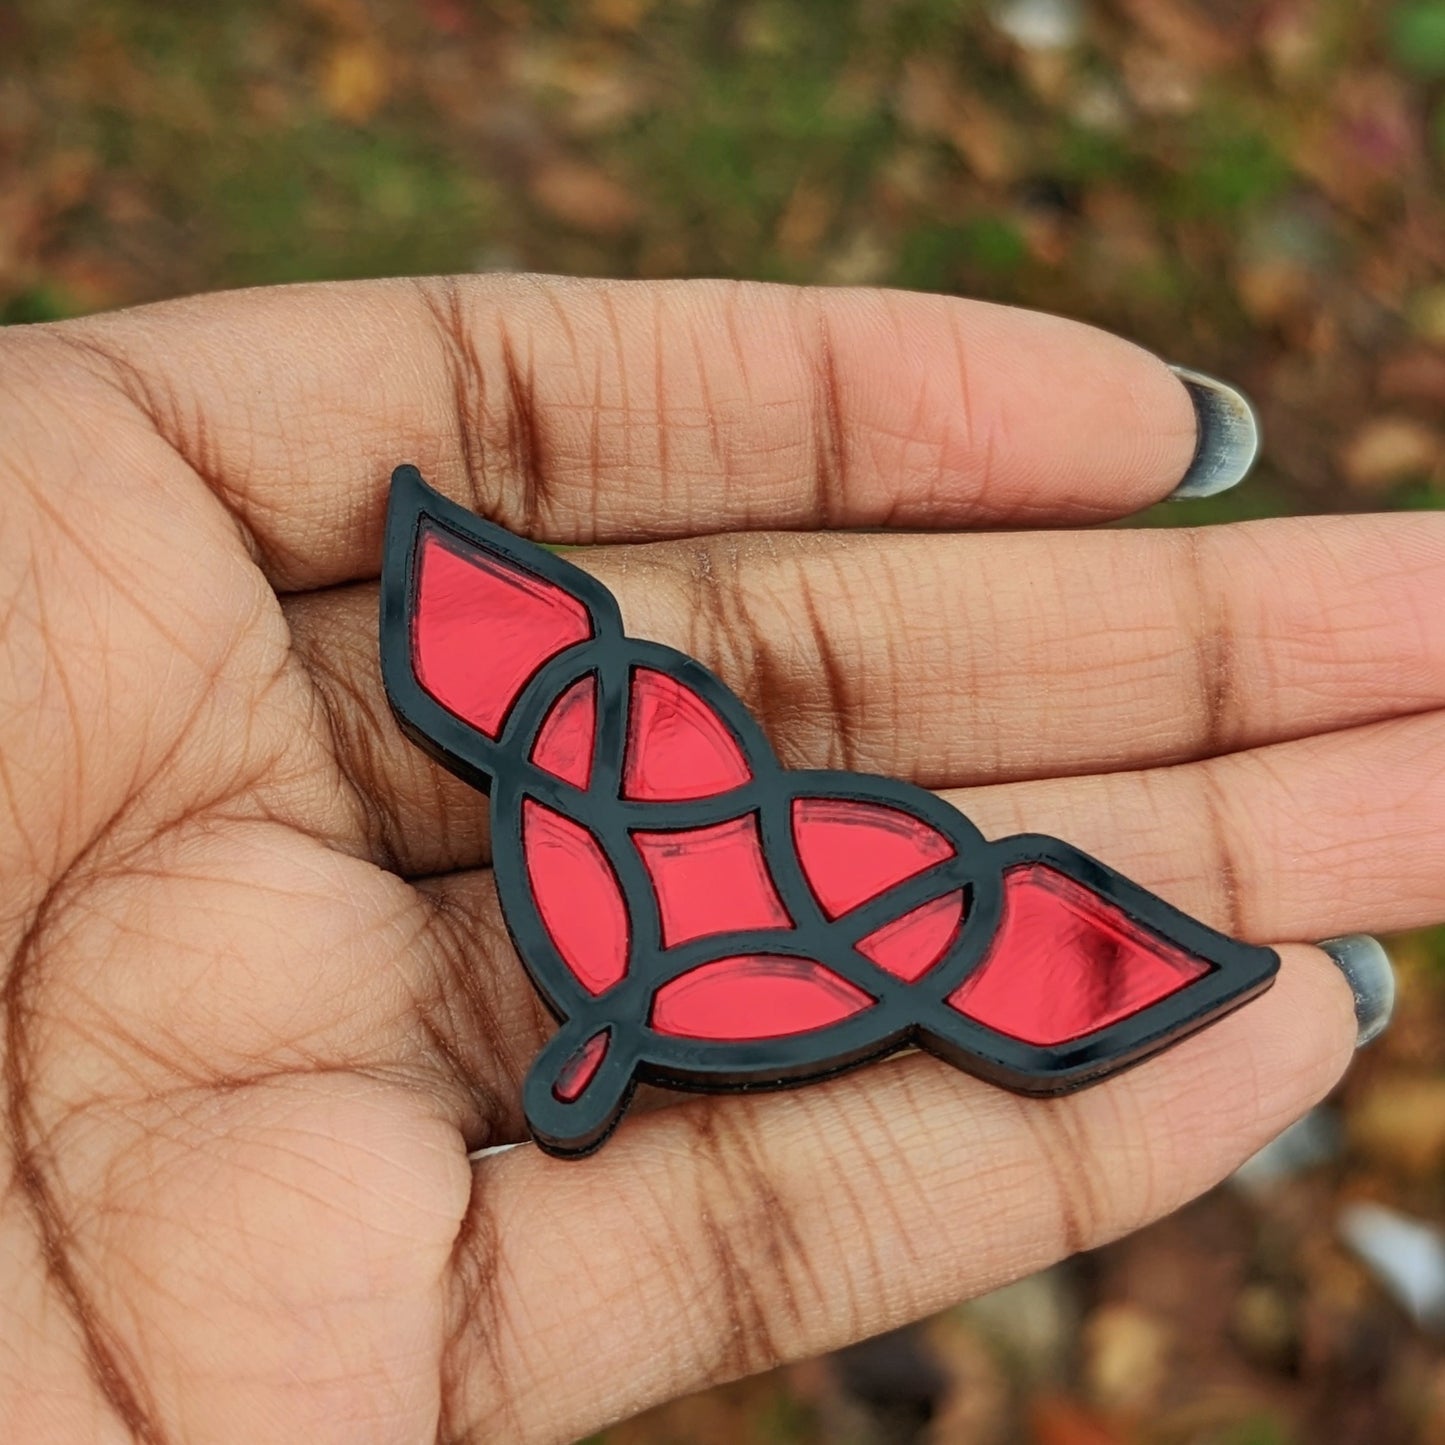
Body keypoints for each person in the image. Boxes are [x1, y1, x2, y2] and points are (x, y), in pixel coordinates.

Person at [0, 276, 1415, 1444]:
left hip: (724, 842)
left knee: (568, 706)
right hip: (755, 862)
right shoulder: (635, 836)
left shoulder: (592, 813)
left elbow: (532, 681)